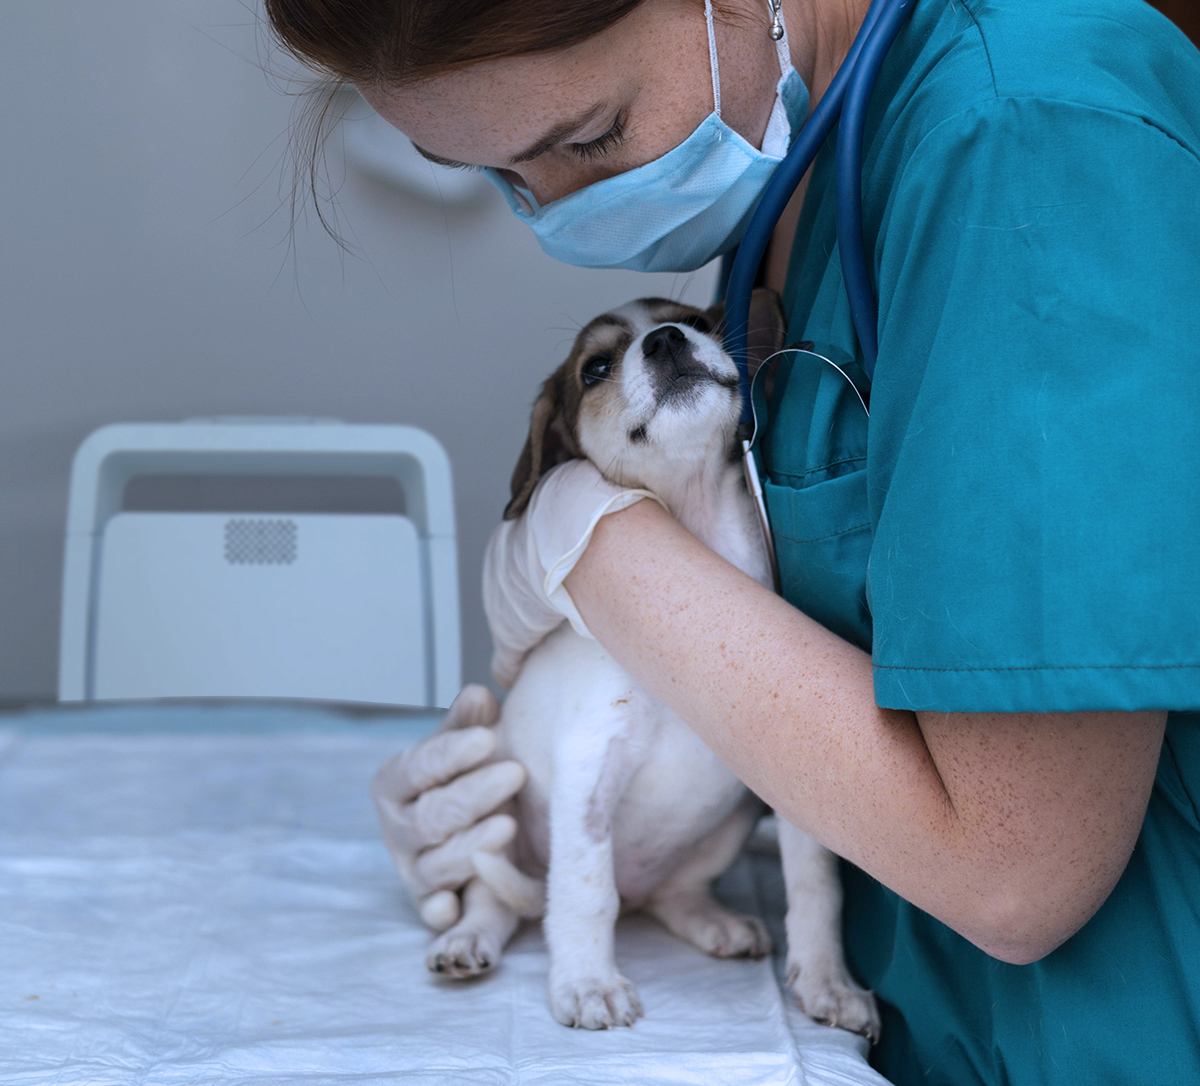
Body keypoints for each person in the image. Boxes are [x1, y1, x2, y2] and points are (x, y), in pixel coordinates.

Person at [265, 0, 1200, 1081]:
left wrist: (605, 549)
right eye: (504, 178)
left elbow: (1016, 872)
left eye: (587, 139)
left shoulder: (1022, 139)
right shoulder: (792, 183)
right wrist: (542, 806)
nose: (566, 214)